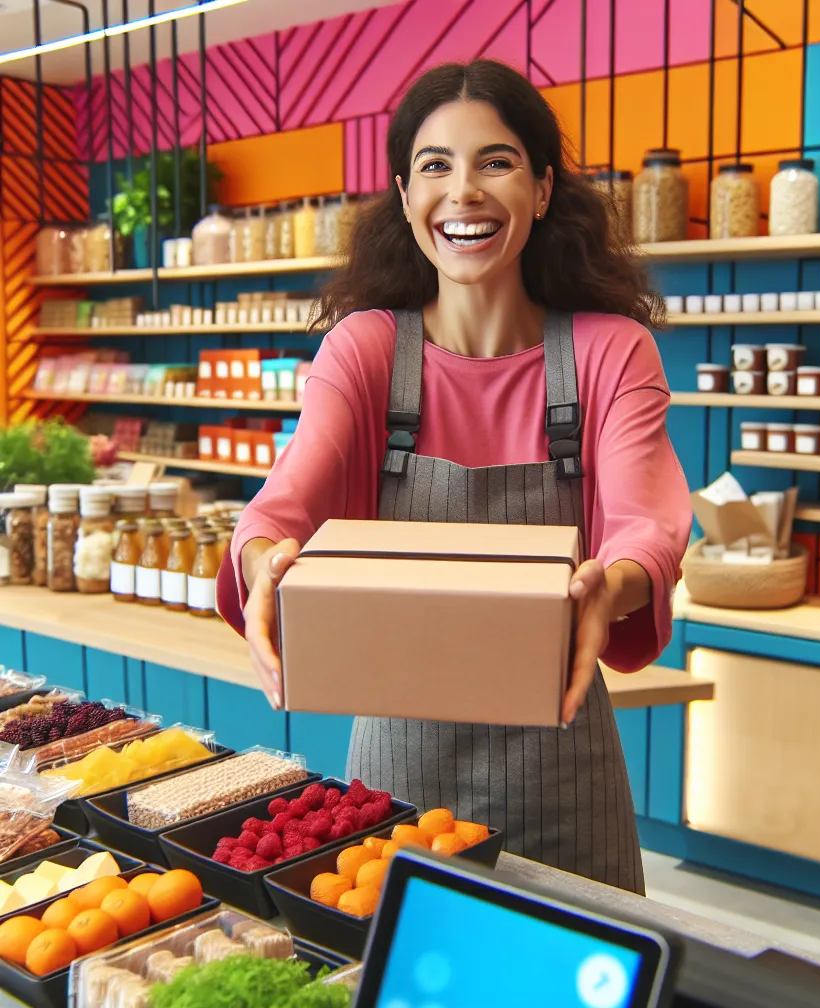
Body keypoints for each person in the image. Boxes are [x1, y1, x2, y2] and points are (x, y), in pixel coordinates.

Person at [217, 59, 691, 895]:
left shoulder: (611, 351)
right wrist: (263, 561)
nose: (463, 191)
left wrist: (609, 585)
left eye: (495, 162)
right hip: (400, 771)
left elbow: (647, 521)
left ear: (542, 189)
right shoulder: (365, 350)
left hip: (566, 769)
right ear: (404, 196)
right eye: (435, 165)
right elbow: (288, 499)